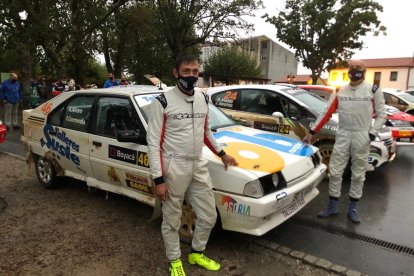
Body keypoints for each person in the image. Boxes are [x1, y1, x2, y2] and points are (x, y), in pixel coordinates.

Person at [146, 53, 238, 276]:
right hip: (173, 166)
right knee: (171, 219)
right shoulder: (163, 102)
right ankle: (174, 260)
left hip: (198, 164)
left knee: (209, 216)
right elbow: (153, 142)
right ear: (176, 73)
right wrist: (158, 179)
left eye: (195, 72)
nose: (191, 76)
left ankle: (197, 252)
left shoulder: (203, 98)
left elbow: (206, 132)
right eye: (186, 71)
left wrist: (222, 154)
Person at [302, 60, 386, 224]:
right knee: (334, 171)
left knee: (358, 174)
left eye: (358, 68)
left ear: (364, 71)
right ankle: (333, 205)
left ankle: (352, 208)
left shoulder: (373, 90)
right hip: (343, 134)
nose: (354, 71)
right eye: (352, 68)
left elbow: (382, 114)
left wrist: (371, 134)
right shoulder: (340, 90)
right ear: (348, 70)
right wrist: (311, 133)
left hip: (362, 135)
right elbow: (326, 113)